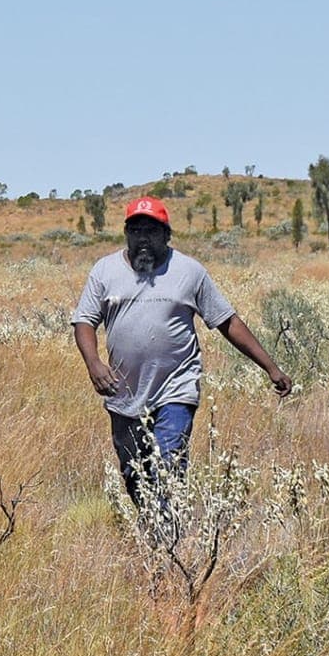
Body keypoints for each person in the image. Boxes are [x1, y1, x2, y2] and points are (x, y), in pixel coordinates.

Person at [72, 198, 292, 538]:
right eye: (136, 230)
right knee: (134, 473)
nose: (143, 238)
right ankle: (154, 526)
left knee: (166, 464)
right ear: (126, 233)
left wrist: (270, 368)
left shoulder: (190, 272)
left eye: (152, 231)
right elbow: (84, 321)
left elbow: (227, 321)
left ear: (166, 234)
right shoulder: (105, 271)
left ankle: (168, 544)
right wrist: (94, 364)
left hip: (177, 387)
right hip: (124, 392)